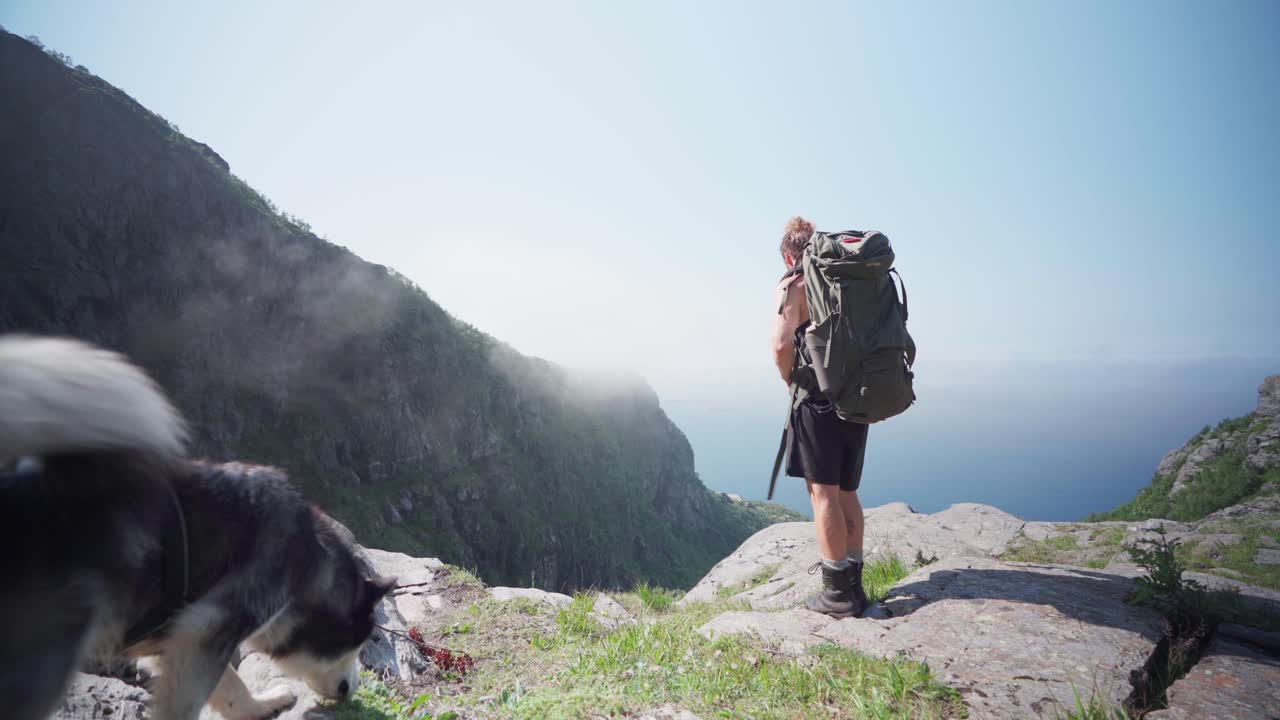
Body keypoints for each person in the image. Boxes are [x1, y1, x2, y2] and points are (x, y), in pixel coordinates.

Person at [771, 216, 870, 619]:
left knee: (823, 494)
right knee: (846, 491)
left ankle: (836, 595)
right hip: (856, 396)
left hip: (817, 399)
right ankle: (855, 585)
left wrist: (789, 380)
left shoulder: (795, 283)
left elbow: (781, 345)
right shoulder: (845, 279)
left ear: (788, 253)